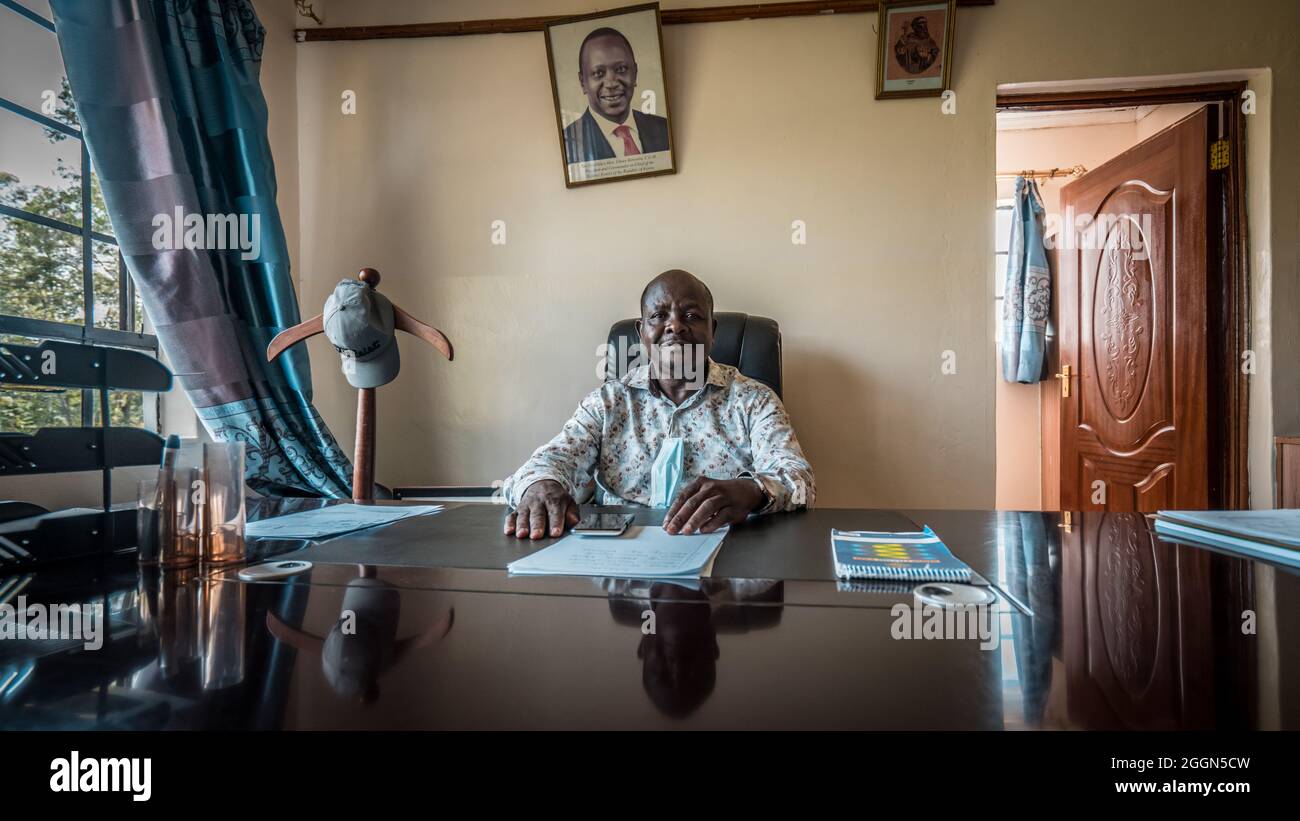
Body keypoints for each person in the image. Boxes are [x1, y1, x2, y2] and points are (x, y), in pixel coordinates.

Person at [503, 269, 815, 539]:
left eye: (691, 316)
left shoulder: (753, 401)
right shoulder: (608, 403)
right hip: (620, 562)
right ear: (641, 332)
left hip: (724, 557)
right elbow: (545, 464)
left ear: (713, 331)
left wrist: (752, 491)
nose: (675, 326)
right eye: (658, 315)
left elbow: (799, 481)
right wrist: (540, 486)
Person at [562, 26, 670, 164]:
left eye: (621, 69)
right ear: (583, 82)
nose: (611, 83)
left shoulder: (664, 130)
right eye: (598, 73)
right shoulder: (569, 142)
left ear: (635, 73)